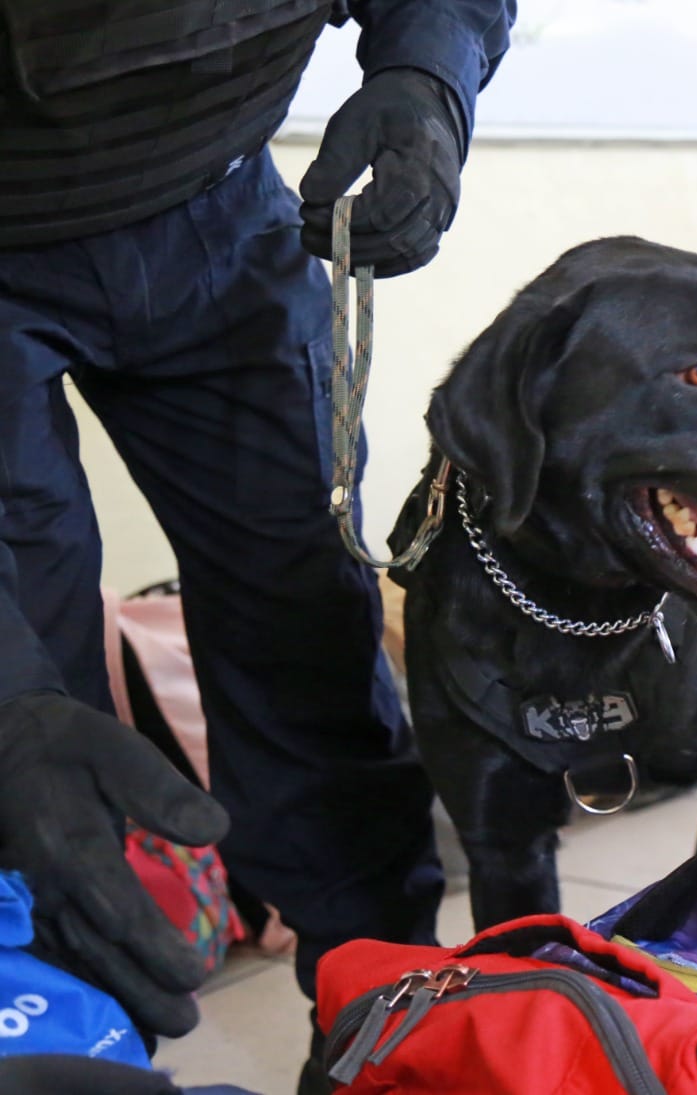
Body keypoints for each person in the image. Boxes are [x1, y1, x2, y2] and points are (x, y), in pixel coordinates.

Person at [0, 0, 512, 1090]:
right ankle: (68, 1046)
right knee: (34, 745)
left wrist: (427, 78)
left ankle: (386, 1038)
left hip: (218, 204)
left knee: (309, 643)